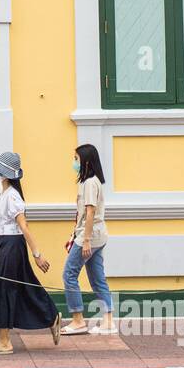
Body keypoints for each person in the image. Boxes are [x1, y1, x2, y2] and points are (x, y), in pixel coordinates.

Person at [0, 152, 62, 354]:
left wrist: (37, 255)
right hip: (7, 246)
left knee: (2, 290)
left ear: (6, 174)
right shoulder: (4, 195)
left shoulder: (13, 196)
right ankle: (51, 317)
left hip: (12, 247)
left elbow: (24, 226)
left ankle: (5, 342)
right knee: (26, 287)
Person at [61, 144, 116, 335]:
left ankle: (78, 320)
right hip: (98, 235)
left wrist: (85, 240)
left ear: (85, 161)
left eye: (76, 159)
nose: (74, 163)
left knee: (69, 274)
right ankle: (108, 320)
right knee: (97, 277)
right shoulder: (91, 182)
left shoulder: (90, 183)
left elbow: (90, 212)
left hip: (90, 236)